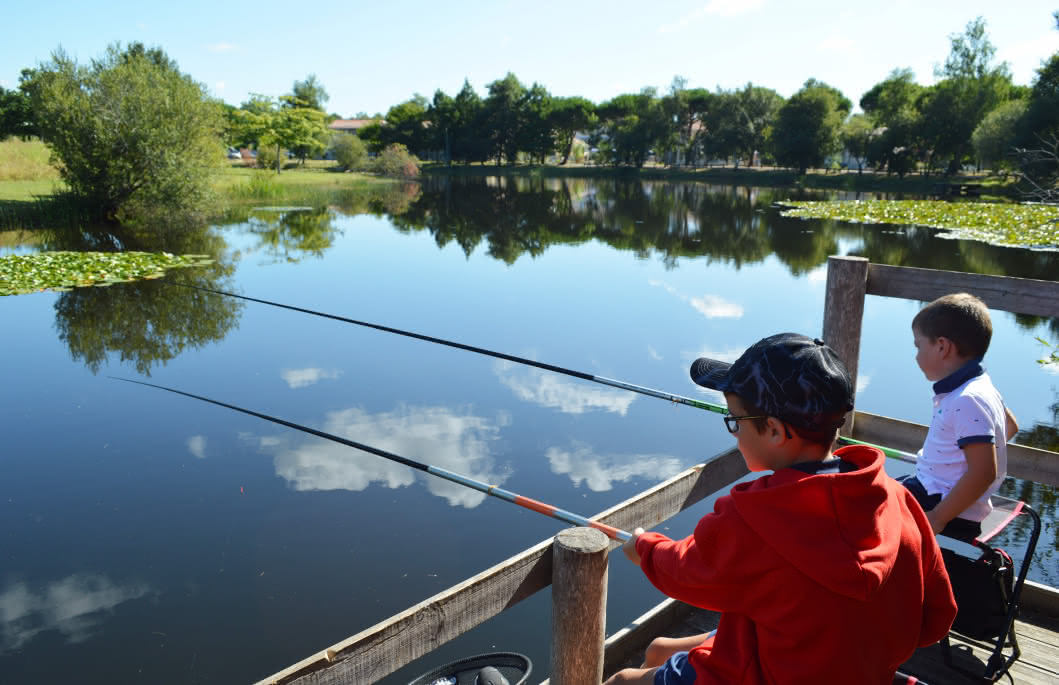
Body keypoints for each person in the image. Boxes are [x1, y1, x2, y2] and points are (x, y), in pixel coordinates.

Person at [603, 333, 956, 685]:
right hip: (852, 670)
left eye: (735, 420)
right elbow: (937, 618)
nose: (734, 432)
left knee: (622, 680)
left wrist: (643, 549)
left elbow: (687, 571)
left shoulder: (757, 517)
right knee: (660, 648)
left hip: (766, 675)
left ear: (773, 430)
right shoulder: (897, 499)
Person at [903, 293, 1019, 539]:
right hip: (936, 489)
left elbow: (984, 472)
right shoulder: (980, 386)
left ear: (942, 347)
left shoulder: (967, 399)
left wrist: (938, 517)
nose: (916, 355)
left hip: (939, 503)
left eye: (918, 345)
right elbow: (1009, 427)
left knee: (859, 504)